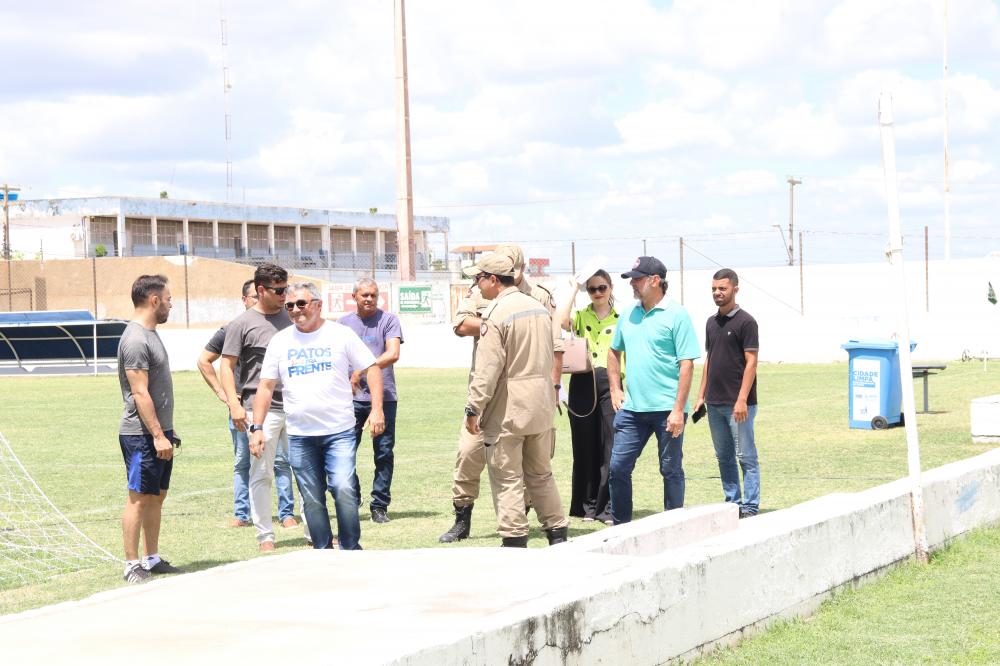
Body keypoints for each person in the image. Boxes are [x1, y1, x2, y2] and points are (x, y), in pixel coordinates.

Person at [438, 243, 563, 543]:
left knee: (506, 478)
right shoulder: (535, 306)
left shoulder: (496, 311)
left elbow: (488, 369)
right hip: (538, 404)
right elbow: (550, 352)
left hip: (505, 407)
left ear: (494, 279)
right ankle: (558, 534)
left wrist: (473, 408)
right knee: (540, 474)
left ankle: (514, 538)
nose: (476, 285)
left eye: (480, 278)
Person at [250, 282, 384, 550]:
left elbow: (372, 368)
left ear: (318, 305)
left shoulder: (340, 335)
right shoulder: (280, 341)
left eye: (302, 303)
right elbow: (265, 386)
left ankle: (350, 546)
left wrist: (377, 409)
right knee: (311, 498)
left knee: (344, 489)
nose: (296, 310)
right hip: (300, 434)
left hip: (339, 431)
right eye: (290, 305)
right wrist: (257, 427)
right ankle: (322, 549)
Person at [196, 279, 300, 529]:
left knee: (282, 461)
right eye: (253, 297)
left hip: (278, 406)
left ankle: (286, 513)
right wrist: (227, 397)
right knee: (243, 461)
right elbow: (205, 361)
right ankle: (242, 513)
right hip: (244, 408)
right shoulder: (233, 328)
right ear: (245, 300)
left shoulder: (283, 323)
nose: (259, 301)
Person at [607, 256, 700, 524]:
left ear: (655, 280)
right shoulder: (628, 313)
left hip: (667, 411)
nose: (632, 284)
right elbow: (613, 352)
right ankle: (620, 528)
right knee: (618, 468)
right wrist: (615, 388)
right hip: (632, 410)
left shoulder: (677, 314)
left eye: (637, 278)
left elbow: (686, 365)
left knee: (670, 469)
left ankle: (673, 525)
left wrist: (678, 410)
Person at [220, 263, 302, 552]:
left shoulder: (293, 317)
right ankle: (265, 536)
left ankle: (313, 529)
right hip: (259, 410)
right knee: (261, 472)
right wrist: (234, 403)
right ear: (260, 290)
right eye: (278, 291)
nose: (284, 296)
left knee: (305, 470)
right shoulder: (241, 324)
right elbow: (226, 366)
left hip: (296, 406)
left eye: (286, 289)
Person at [118, 274, 183, 583]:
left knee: (157, 495)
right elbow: (140, 392)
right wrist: (157, 435)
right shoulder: (135, 339)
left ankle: (152, 558)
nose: (171, 304)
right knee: (139, 498)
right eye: (168, 299)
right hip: (141, 435)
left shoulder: (151, 334)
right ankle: (132, 565)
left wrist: (167, 432)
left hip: (160, 432)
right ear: (154, 300)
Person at [693, 268, 760, 518]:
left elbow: (751, 362)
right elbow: (709, 361)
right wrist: (701, 396)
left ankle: (750, 506)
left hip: (738, 405)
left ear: (735, 289)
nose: (717, 293)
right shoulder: (711, 322)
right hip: (714, 403)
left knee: (746, 457)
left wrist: (742, 399)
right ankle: (732, 504)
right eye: (714, 289)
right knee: (724, 457)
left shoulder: (747, 322)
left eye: (722, 288)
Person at [555, 269, 619, 524]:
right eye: (592, 289)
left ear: (611, 288)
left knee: (610, 445)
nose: (597, 293)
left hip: (611, 381)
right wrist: (574, 288)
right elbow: (561, 322)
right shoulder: (581, 316)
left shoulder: (621, 319)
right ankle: (587, 506)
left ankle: (606, 507)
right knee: (584, 446)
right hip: (583, 379)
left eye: (602, 288)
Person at [339, 278, 403, 524]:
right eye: (364, 295)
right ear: (354, 296)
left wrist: (362, 370)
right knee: (344, 452)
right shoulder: (343, 324)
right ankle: (352, 500)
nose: (369, 299)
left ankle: (379, 505)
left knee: (384, 453)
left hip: (384, 397)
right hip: (350, 399)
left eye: (374, 295)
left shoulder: (388, 320)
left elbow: (393, 353)